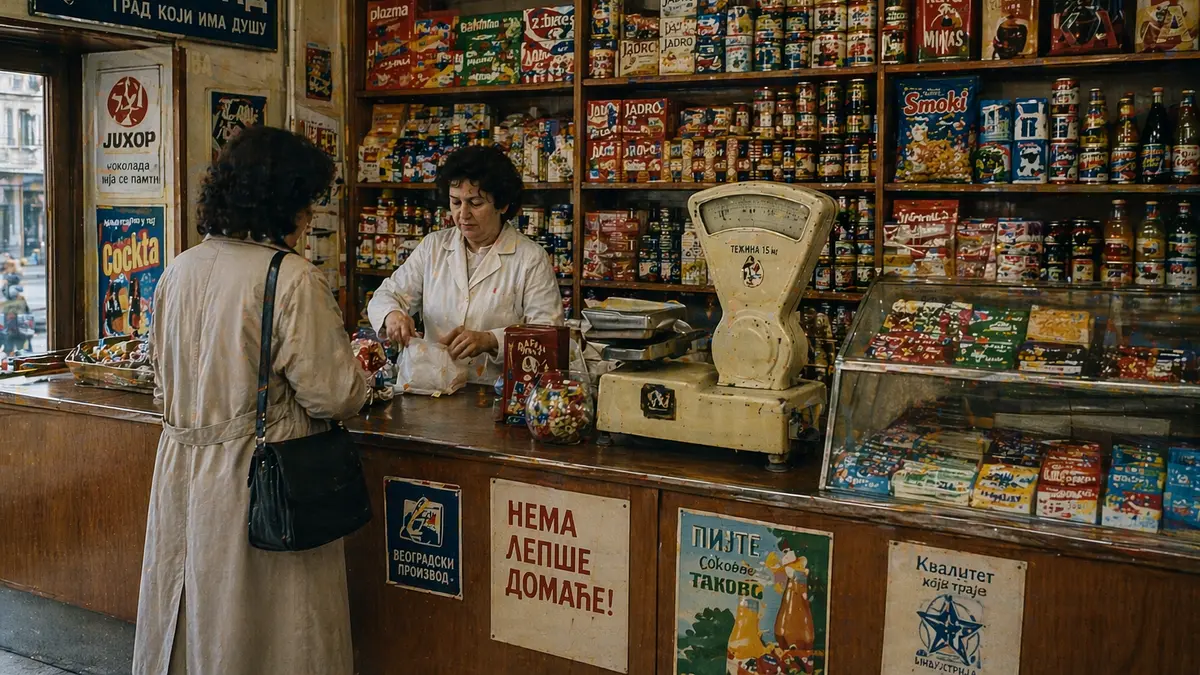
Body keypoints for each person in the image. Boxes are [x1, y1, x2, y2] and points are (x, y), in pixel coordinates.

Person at [134, 126, 370, 675]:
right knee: (267, 635)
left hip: (179, 471)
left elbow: (160, 383)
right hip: (259, 482)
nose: (309, 218)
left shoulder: (179, 269)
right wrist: (362, 377)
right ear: (282, 202)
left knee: (188, 617)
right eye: (306, 202)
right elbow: (335, 395)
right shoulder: (291, 279)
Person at [367, 144, 564, 384]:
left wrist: (491, 340)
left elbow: (548, 335)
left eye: (476, 203)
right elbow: (387, 294)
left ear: (502, 204)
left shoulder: (530, 258)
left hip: (495, 389)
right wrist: (393, 315)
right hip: (432, 386)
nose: (463, 214)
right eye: (456, 202)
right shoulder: (433, 247)